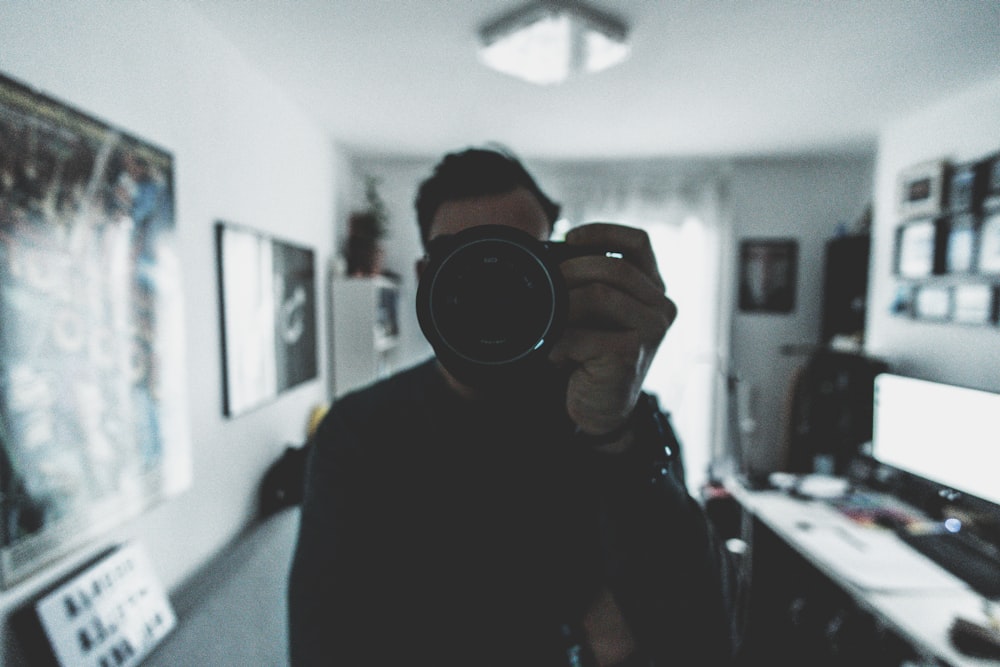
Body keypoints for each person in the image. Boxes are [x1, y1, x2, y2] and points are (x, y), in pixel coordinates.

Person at [288, 146, 739, 666]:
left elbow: (708, 645)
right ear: (424, 275)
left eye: (514, 261)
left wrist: (615, 436)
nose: (492, 290)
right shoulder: (359, 432)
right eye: (468, 263)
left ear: (558, 272)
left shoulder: (621, 417)